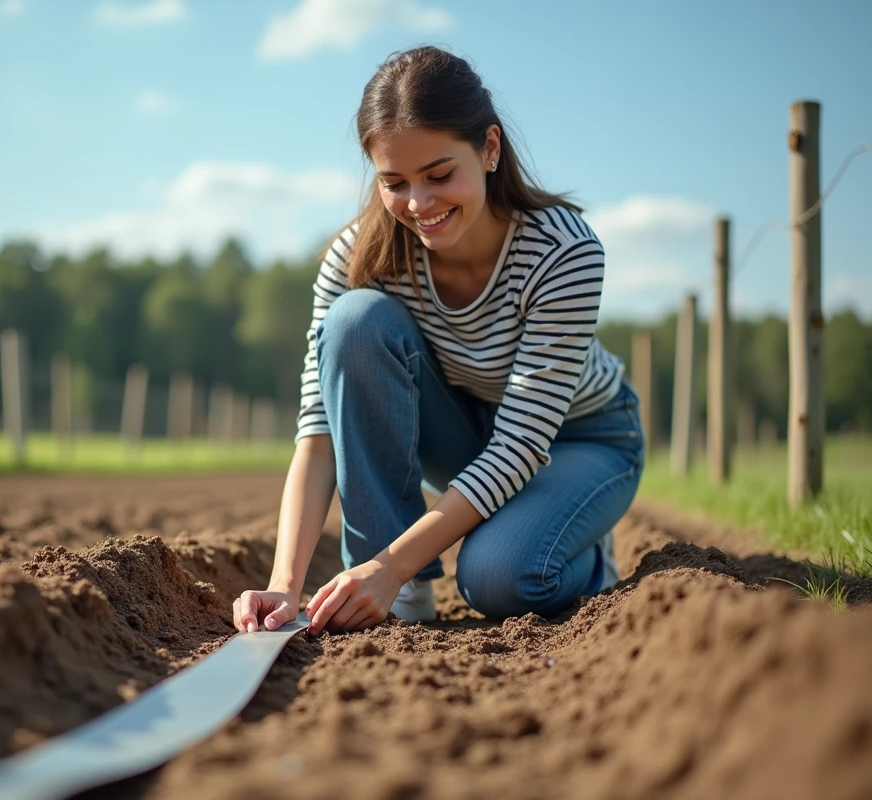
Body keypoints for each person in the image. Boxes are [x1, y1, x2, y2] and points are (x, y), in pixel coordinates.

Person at [231, 45, 644, 637]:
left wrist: (388, 565)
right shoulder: (357, 257)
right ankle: (402, 601)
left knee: (498, 580)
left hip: (579, 437)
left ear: (491, 149)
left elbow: (522, 443)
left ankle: (582, 551)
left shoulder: (565, 253)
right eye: (394, 183)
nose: (419, 205)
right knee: (356, 321)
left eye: (440, 175)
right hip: (464, 427)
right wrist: (284, 585)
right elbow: (319, 433)